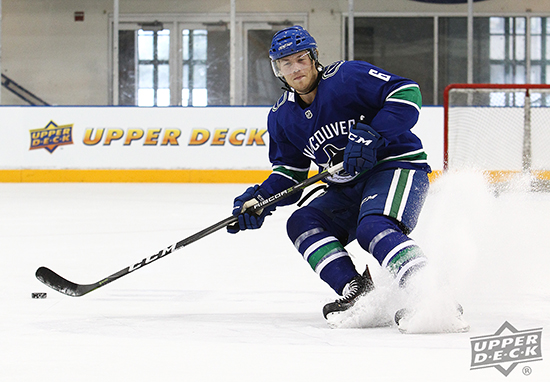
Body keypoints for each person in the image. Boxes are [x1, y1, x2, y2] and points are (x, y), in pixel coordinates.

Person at [227, 25, 443, 330]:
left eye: (301, 59)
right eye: (286, 63)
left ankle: (431, 295)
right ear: (278, 70)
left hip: (395, 167)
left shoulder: (347, 77)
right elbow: (291, 172)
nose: (296, 68)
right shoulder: (281, 116)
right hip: (344, 186)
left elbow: (407, 93)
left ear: (314, 57)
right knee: (302, 223)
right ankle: (360, 294)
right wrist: (260, 199)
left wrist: (374, 134)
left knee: (374, 228)